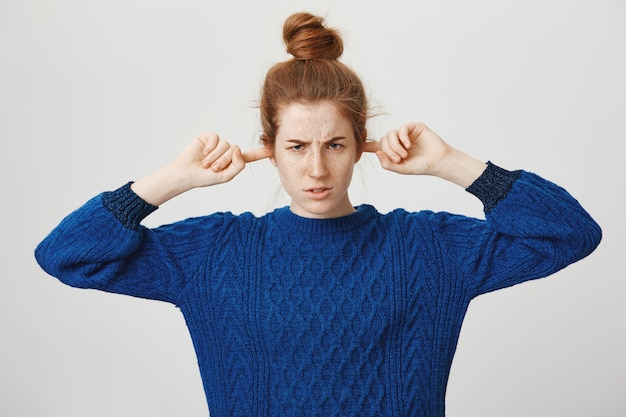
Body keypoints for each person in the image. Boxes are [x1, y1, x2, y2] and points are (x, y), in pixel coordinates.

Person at [35, 11, 601, 417]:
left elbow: (570, 234)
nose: (316, 171)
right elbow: (64, 255)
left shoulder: (425, 247)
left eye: (334, 145)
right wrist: (172, 180)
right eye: (296, 148)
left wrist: (452, 163)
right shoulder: (214, 253)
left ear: (361, 145)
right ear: (268, 147)